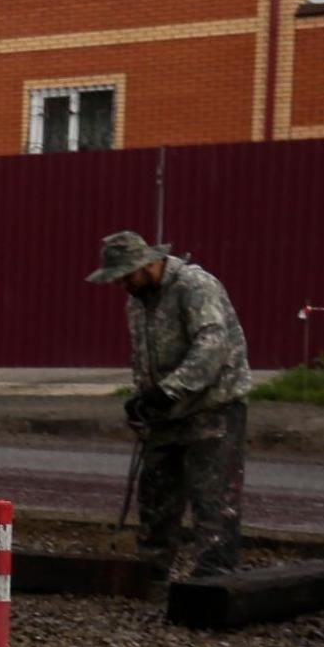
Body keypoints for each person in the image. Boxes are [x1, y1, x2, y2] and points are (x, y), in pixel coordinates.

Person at [91, 230, 251, 578]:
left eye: (125, 277)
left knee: (212, 498)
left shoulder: (195, 286)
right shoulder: (137, 302)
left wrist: (169, 389)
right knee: (156, 495)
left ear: (146, 265)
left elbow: (212, 344)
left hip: (213, 407)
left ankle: (215, 577)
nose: (123, 285)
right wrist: (143, 399)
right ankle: (152, 569)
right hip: (167, 413)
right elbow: (144, 357)